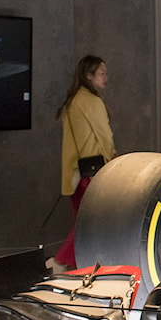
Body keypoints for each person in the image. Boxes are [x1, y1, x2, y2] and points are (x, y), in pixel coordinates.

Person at [49, 55, 116, 273]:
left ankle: (73, 265)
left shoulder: (75, 99)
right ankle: (60, 261)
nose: (106, 77)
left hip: (77, 173)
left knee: (83, 221)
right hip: (92, 172)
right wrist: (113, 161)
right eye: (101, 73)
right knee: (90, 223)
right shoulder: (91, 101)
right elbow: (104, 136)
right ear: (89, 75)